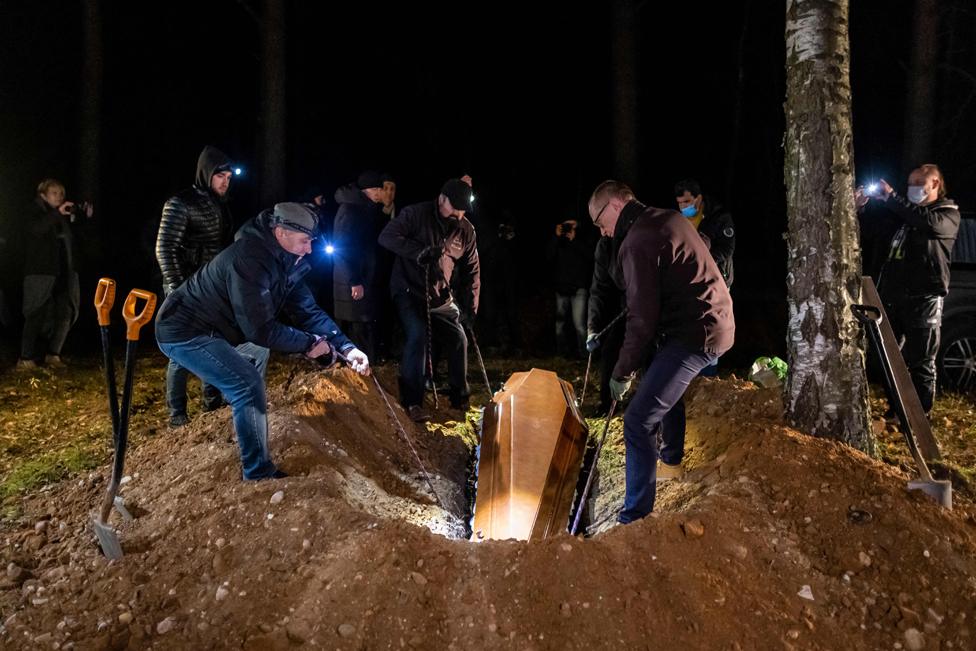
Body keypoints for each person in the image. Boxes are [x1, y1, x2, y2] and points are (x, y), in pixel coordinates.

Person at [155, 202, 370, 481]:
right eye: (305, 241)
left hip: (219, 329)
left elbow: (307, 310)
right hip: (183, 330)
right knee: (246, 383)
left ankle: (242, 424)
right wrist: (308, 344)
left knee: (256, 357)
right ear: (281, 232)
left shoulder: (285, 261)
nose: (309, 249)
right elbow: (260, 329)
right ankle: (257, 472)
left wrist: (346, 347)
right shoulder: (250, 259)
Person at [588, 180, 734, 524]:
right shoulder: (666, 219)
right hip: (708, 322)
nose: (604, 233)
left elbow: (641, 320)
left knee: (637, 421)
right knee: (659, 386)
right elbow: (700, 249)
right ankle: (670, 463)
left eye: (600, 222)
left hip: (695, 333)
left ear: (613, 206)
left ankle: (635, 517)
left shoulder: (637, 241)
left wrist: (621, 373)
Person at [855, 164, 960, 414]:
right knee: (887, 358)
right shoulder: (902, 215)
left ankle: (920, 416)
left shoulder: (946, 213)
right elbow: (872, 234)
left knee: (921, 361)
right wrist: (859, 207)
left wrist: (892, 198)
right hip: (892, 297)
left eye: (918, 184)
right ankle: (897, 410)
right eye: (909, 184)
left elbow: (926, 223)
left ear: (935, 184)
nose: (912, 189)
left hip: (924, 298)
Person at [378, 178, 480, 422]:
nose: (457, 213)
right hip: (408, 291)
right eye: (453, 206)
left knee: (458, 337)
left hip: (440, 296)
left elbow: (472, 271)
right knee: (418, 335)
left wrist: (470, 308)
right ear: (441, 198)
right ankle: (413, 400)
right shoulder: (415, 214)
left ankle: (459, 396)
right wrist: (418, 252)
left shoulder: (465, 230)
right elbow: (387, 237)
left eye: (462, 209)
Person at [155, 146, 236, 426]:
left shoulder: (221, 204)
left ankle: (211, 407)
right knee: (181, 350)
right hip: (185, 287)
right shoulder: (181, 203)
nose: (225, 181)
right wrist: (179, 288)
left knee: (213, 344)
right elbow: (165, 247)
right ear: (206, 174)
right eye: (219, 176)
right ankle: (177, 415)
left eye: (228, 176)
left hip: (211, 287)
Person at [17, 179, 93, 368]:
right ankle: (25, 358)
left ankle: (54, 354)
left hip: (65, 272)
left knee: (66, 312)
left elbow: (78, 241)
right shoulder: (34, 212)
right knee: (36, 312)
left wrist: (83, 218)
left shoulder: (63, 215)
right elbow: (36, 230)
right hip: (41, 272)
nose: (59, 196)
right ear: (42, 195)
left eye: (61, 193)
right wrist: (56, 214)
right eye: (54, 193)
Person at [332, 171, 387, 361]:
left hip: (359, 277)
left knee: (361, 325)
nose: (382, 194)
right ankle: (362, 371)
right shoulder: (351, 210)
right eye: (381, 189)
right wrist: (354, 280)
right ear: (372, 190)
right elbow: (343, 247)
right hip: (352, 280)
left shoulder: (363, 208)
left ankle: (361, 370)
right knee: (358, 326)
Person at [546, 217, 594, 358]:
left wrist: (574, 241)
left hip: (578, 288)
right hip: (561, 288)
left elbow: (590, 256)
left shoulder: (582, 240)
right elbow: (549, 256)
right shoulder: (558, 243)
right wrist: (556, 237)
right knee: (559, 324)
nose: (568, 229)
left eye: (571, 226)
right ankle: (561, 354)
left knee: (579, 324)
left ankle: (585, 356)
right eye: (565, 226)